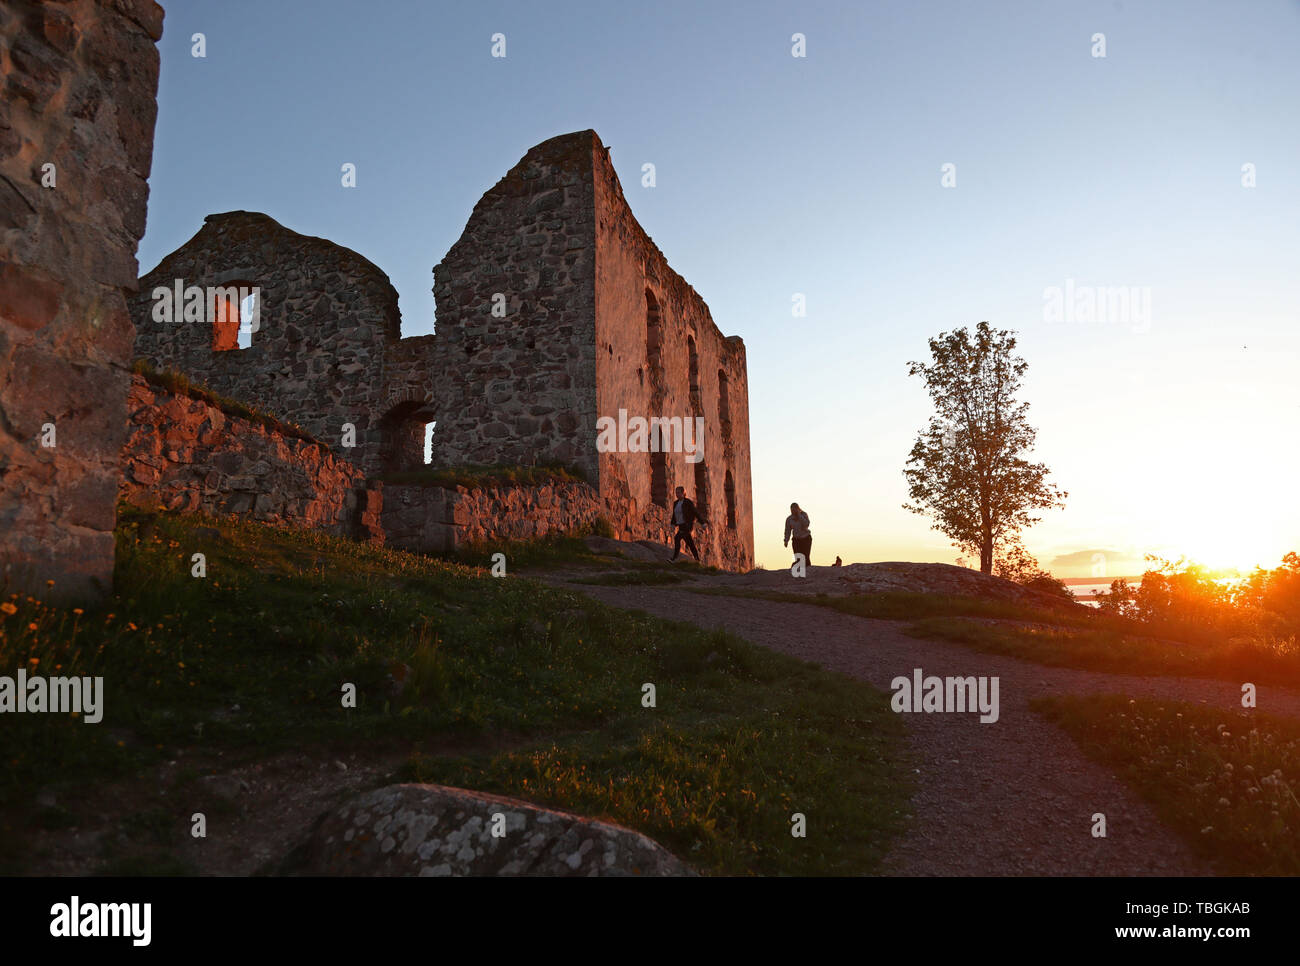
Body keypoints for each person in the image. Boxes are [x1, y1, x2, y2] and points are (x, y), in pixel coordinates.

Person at [669, 485, 706, 562]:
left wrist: (702, 523)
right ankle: (697, 559)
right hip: (680, 525)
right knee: (690, 543)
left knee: (677, 538)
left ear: (683, 493)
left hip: (687, 525)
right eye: (676, 493)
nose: (677, 494)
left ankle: (674, 559)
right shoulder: (675, 503)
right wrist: (673, 524)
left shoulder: (688, 502)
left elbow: (696, 512)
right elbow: (674, 515)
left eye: (678, 492)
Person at [784, 502, 812, 567]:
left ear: (798, 509)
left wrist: (799, 516)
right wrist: (786, 540)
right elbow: (787, 530)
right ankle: (799, 573)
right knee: (798, 558)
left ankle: (808, 571)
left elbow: (806, 524)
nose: (793, 511)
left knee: (806, 558)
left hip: (806, 539)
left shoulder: (804, 515)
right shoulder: (789, 519)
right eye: (791, 510)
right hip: (796, 540)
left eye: (794, 509)